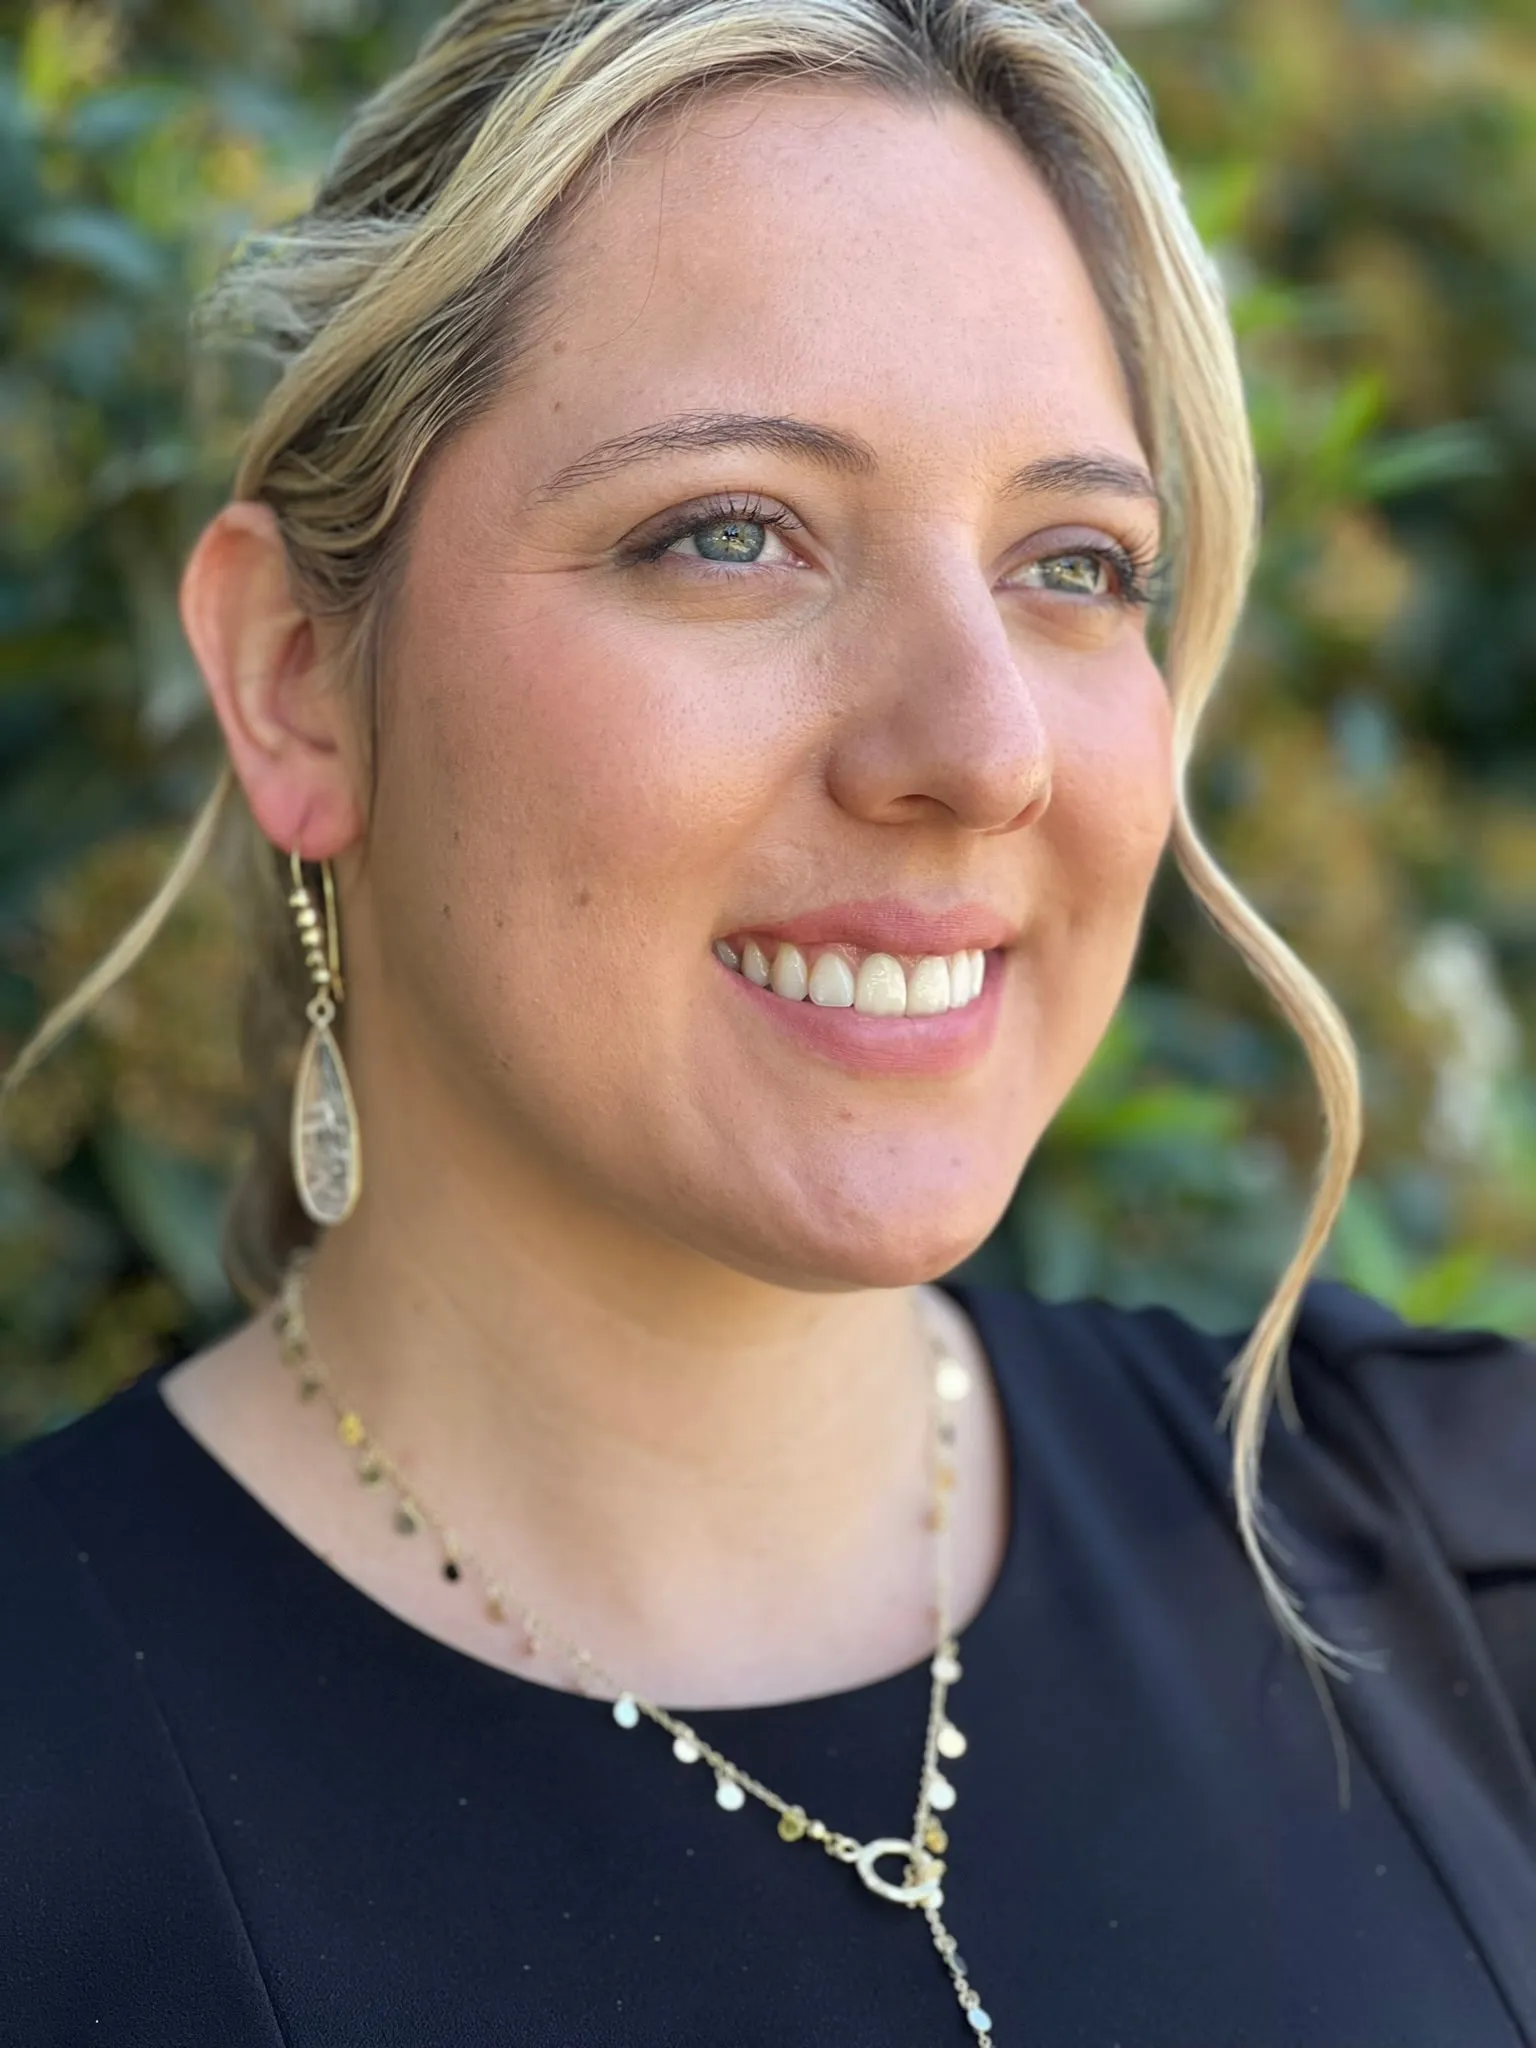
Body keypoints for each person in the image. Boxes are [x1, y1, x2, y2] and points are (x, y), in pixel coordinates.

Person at [3, 2, 1533, 2042]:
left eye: (1074, 565)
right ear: (295, 677)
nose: (981, 747)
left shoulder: (1456, 1551)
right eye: (731, 531)